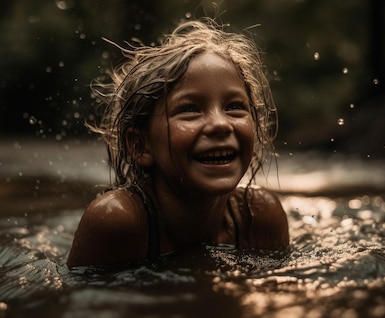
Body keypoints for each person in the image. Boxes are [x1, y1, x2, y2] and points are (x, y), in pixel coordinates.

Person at [67, 18, 289, 268]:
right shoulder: (116, 221)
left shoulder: (258, 217)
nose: (221, 124)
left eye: (235, 107)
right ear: (140, 145)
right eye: (190, 109)